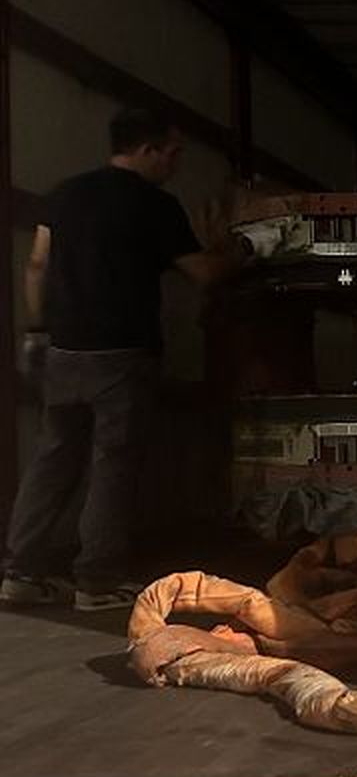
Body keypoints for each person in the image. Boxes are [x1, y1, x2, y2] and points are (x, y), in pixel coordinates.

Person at [0, 107, 275, 611]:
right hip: (122, 356)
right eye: (171, 154)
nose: (174, 165)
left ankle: (20, 573)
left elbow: (37, 263)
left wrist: (36, 332)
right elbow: (205, 274)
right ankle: (97, 582)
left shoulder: (64, 194)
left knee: (52, 460)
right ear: (146, 150)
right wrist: (247, 251)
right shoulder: (155, 205)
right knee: (113, 466)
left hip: (61, 351)